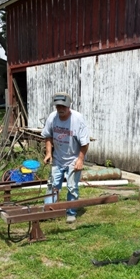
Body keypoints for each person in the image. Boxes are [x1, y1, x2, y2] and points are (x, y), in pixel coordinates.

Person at [41, 92, 90, 223]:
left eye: (63, 106)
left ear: (68, 106)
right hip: (58, 158)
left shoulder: (78, 119)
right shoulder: (52, 117)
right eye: (57, 106)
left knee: (72, 187)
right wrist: (48, 153)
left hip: (73, 158)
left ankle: (71, 212)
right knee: (52, 185)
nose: (60, 109)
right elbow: (48, 136)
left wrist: (80, 160)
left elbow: (85, 143)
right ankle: (49, 210)